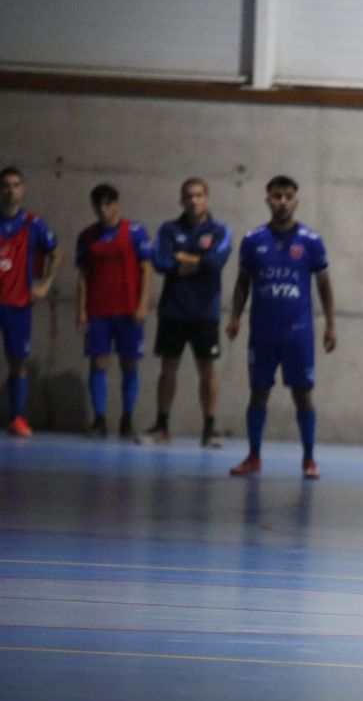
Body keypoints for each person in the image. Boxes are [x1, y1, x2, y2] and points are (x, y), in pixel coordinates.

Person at [227, 175, 336, 479]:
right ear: (268, 199)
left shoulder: (310, 241)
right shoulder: (253, 240)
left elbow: (324, 285)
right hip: (262, 333)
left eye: (288, 196)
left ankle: (309, 459)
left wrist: (330, 324)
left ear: (296, 200)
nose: (282, 201)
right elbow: (241, 283)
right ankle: (253, 456)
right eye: (277, 196)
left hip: (298, 334)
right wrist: (235, 317)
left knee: (302, 394)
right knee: (258, 392)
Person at [143, 178, 232, 447]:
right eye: (189, 196)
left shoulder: (220, 230)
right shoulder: (169, 229)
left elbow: (216, 264)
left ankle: (209, 428)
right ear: (182, 200)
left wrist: (182, 257)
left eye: (199, 195)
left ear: (207, 198)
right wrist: (198, 262)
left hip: (205, 312)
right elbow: (159, 261)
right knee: (168, 368)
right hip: (173, 310)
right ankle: (162, 426)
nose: (194, 200)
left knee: (207, 370)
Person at [75, 184, 154, 438]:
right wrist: (81, 310)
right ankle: (99, 419)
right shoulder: (87, 236)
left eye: (108, 203)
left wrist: (143, 304)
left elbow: (147, 270)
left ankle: (127, 420)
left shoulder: (135, 231)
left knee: (129, 363)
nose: (103, 209)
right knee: (98, 362)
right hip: (98, 311)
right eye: (98, 204)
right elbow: (82, 276)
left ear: (117, 203)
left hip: (128, 310)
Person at [0, 166, 60, 437]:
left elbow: (56, 252)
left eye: (15, 185)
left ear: (22, 189)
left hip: (18, 304)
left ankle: (18, 417)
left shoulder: (33, 224)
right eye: (5, 185)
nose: (10, 190)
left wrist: (45, 284)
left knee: (18, 362)